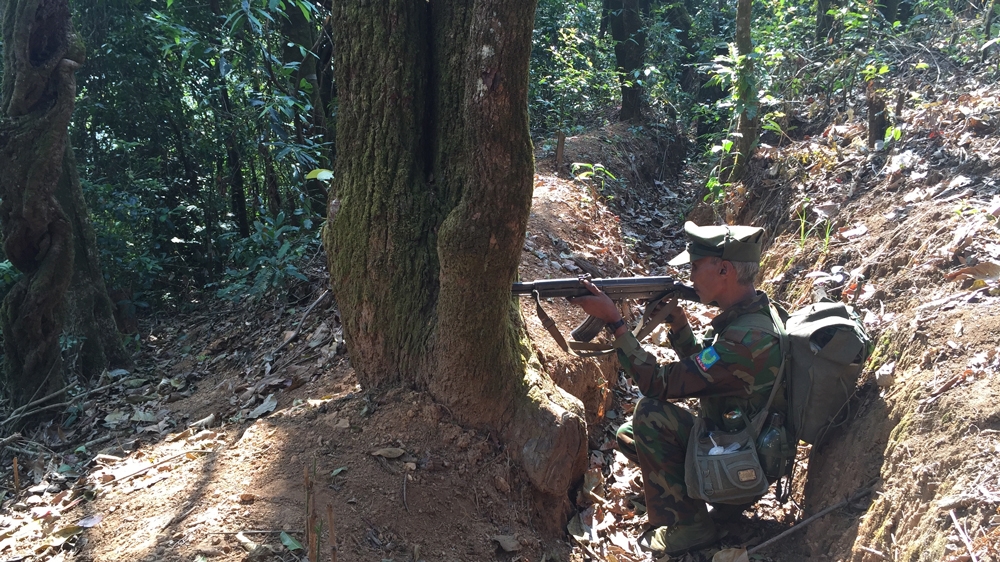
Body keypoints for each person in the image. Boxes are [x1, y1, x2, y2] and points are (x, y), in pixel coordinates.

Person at [568, 222, 786, 556]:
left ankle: (692, 526)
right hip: (734, 443)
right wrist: (680, 325)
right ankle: (693, 498)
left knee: (650, 415)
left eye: (696, 266)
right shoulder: (749, 317)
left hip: (743, 463)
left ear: (725, 269)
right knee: (630, 435)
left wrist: (616, 324)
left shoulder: (748, 340)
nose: (690, 274)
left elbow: (658, 385)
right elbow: (710, 370)